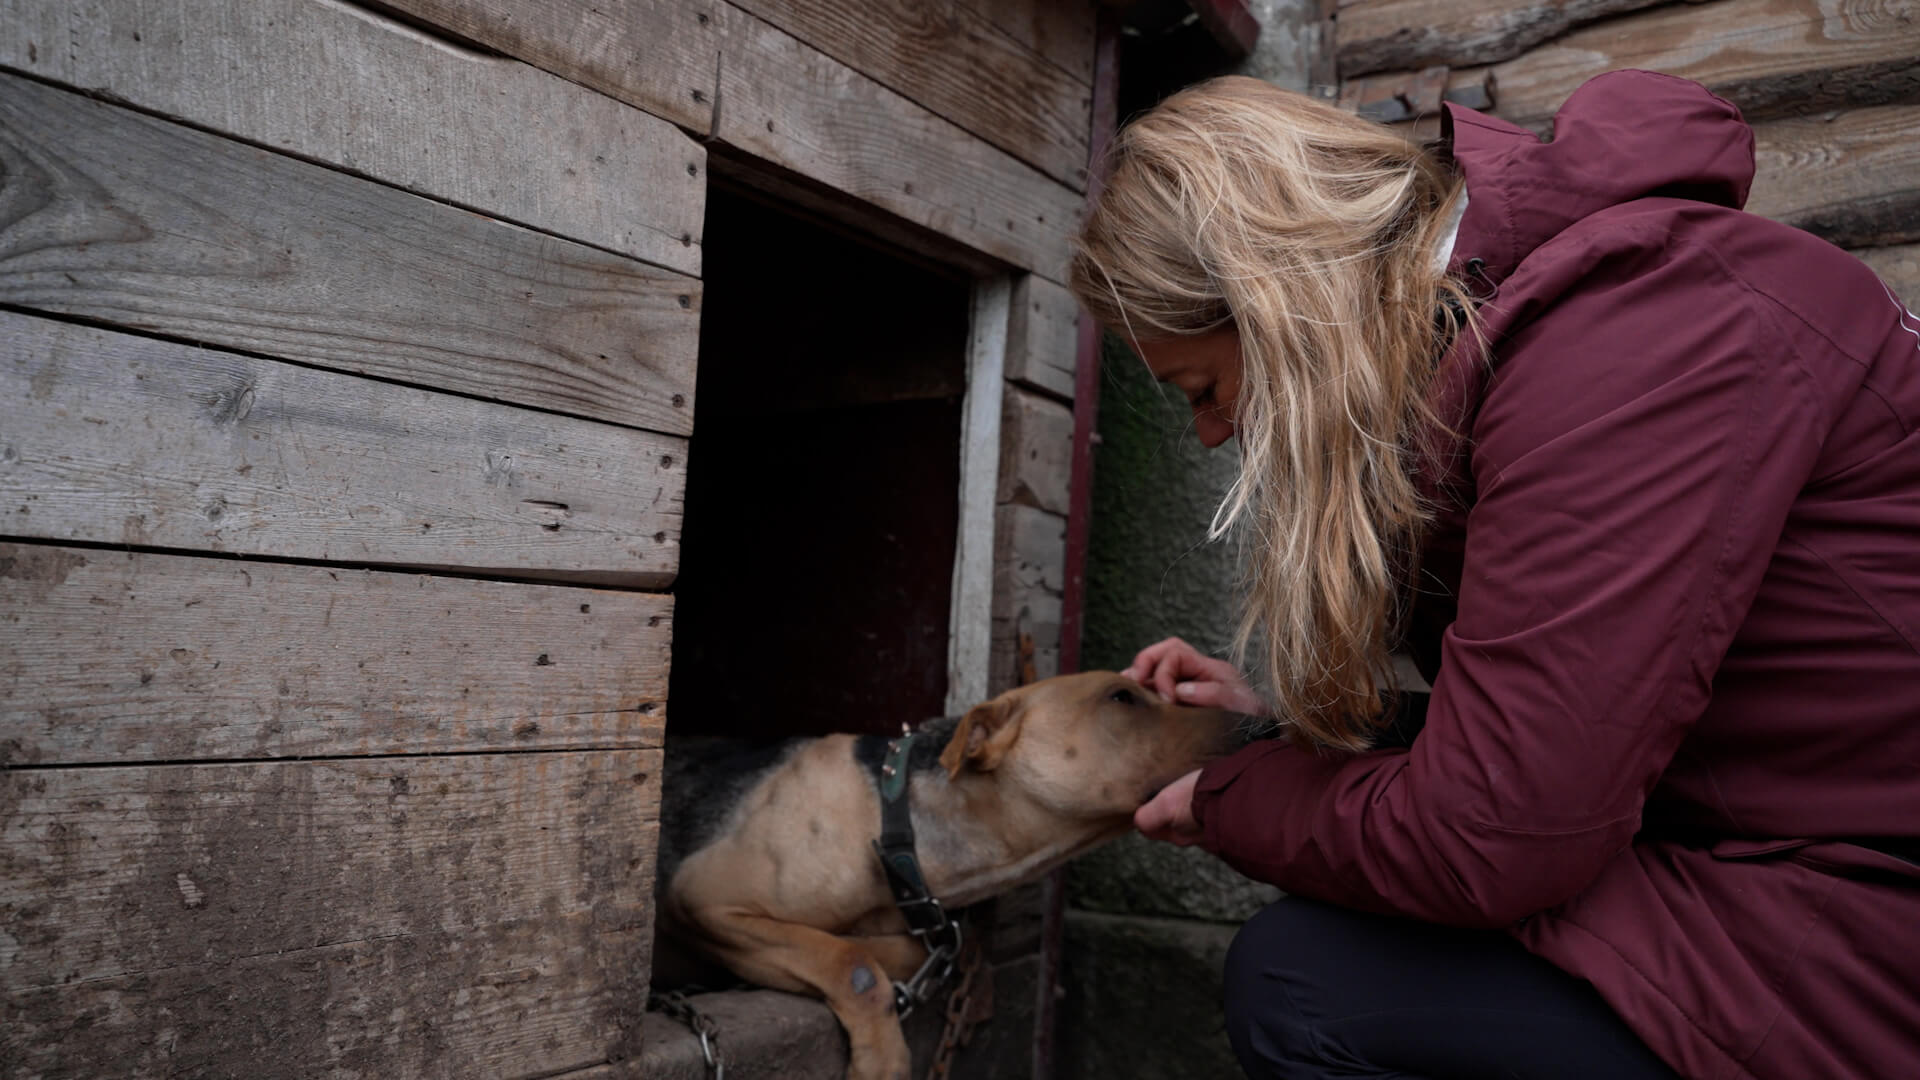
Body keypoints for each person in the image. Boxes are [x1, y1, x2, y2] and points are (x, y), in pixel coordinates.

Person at [1069, 70, 1920, 1080]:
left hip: (1871, 913)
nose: (1213, 435)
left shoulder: (1629, 342)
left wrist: (1230, 798)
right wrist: (1280, 739)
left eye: (1204, 387)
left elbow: (1495, 839)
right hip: (1782, 855)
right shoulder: (1534, 332)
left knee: (1309, 990)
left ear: (1280, 307)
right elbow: (1576, 723)